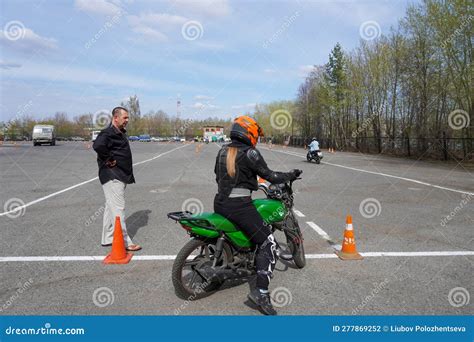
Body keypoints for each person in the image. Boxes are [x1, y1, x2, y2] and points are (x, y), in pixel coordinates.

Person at [214, 115, 301, 315]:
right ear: (249, 133)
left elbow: (219, 176)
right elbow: (270, 175)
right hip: (239, 206)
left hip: (220, 202)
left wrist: (248, 182)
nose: (256, 138)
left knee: (249, 232)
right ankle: (261, 292)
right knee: (268, 243)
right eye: (255, 134)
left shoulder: (223, 150)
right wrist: (290, 175)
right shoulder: (250, 153)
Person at [93, 107, 141, 252]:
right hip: (113, 176)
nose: (127, 120)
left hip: (120, 175)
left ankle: (108, 238)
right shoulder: (108, 132)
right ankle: (125, 241)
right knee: (118, 208)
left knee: (110, 207)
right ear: (115, 118)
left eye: (127, 118)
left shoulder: (119, 133)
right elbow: (98, 145)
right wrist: (108, 159)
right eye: (124, 118)